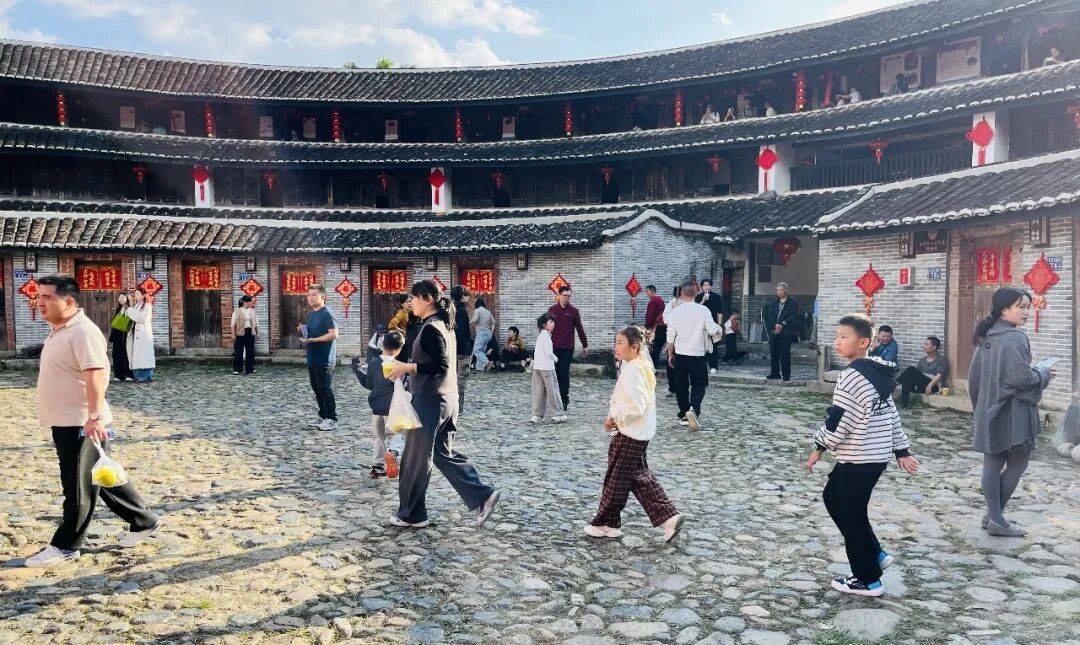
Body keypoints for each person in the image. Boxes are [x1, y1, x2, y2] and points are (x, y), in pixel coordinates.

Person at [24, 275, 159, 568]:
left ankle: (66, 545)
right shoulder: (60, 330)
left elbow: (96, 373)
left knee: (77, 485)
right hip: (66, 420)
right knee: (100, 476)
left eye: (47, 297)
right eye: (39, 296)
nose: (39, 302)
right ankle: (144, 520)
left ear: (68, 301)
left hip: (81, 422)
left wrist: (94, 416)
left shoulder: (82, 331)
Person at [807, 313, 919, 597]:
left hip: (859, 457)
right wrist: (901, 451)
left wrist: (819, 446)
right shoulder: (876, 373)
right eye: (837, 336)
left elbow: (838, 421)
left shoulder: (850, 377)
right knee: (833, 497)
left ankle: (867, 580)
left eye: (844, 337)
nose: (838, 342)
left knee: (852, 516)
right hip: (870, 458)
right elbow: (892, 416)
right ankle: (875, 554)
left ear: (864, 343)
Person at [387, 280, 501, 528]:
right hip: (447, 399)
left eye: (414, 298)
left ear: (428, 299)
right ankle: (483, 495)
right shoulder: (443, 324)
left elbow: (439, 365)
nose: (411, 302)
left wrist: (407, 367)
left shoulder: (432, 327)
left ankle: (412, 515)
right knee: (441, 454)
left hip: (430, 401)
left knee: (415, 459)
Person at [585, 326, 684, 542]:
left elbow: (636, 406)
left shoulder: (634, 369)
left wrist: (615, 418)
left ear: (635, 346)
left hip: (630, 432)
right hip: (637, 431)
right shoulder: (637, 366)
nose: (616, 347)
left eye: (620, 343)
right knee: (638, 478)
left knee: (616, 480)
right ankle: (668, 517)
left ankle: (605, 523)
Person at [968, 287, 1053, 537]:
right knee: (1018, 463)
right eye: (1021, 307)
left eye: (1028, 307)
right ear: (1004, 309)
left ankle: (994, 517)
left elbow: (974, 378)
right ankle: (995, 518)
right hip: (1013, 412)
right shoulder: (1015, 337)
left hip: (989, 409)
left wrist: (980, 407)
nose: (1026, 312)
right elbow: (1022, 379)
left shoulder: (987, 335)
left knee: (992, 463)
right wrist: (1043, 373)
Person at [666, 282, 721, 431]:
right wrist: (718, 328)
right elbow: (712, 330)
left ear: (682, 294)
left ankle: (684, 414)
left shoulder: (675, 312)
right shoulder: (703, 310)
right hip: (697, 354)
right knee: (700, 384)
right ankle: (693, 409)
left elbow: (670, 337)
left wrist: (670, 354)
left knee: (681, 385)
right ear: (696, 294)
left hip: (680, 353)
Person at [352, 330, 407, 480]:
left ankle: (377, 466)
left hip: (376, 407)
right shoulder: (399, 365)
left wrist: (357, 368)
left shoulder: (374, 363)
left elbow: (368, 384)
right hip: (393, 407)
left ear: (383, 344)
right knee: (399, 433)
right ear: (399, 349)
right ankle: (393, 452)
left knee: (378, 437)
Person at [299, 284, 339, 431]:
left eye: (314, 295)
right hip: (313, 357)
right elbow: (312, 332)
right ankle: (323, 416)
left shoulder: (327, 313)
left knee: (325, 389)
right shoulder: (311, 314)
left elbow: (334, 334)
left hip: (325, 359)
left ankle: (332, 419)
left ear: (323, 296)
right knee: (316, 388)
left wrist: (314, 340)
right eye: (308, 295)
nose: (310, 298)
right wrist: (303, 330)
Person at [547, 286, 589, 411]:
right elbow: (547, 327)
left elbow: (580, 328)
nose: (567, 298)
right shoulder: (552, 310)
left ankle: (564, 400)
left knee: (564, 374)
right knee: (554, 374)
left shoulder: (573, 311)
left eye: (569, 296)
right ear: (559, 295)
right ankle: (554, 399)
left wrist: (585, 345)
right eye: (565, 295)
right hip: (554, 348)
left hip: (567, 348)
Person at [531, 313, 566, 425]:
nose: (553, 324)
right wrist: (556, 359)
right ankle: (557, 414)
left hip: (537, 367)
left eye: (553, 322)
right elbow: (549, 353)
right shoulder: (546, 336)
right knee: (553, 391)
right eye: (550, 322)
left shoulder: (540, 335)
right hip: (547, 368)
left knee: (539, 392)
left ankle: (537, 415)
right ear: (544, 324)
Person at [896, 336, 949, 407]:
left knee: (911, 369)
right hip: (922, 386)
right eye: (924, 344)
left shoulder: (941, 359)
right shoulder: (922, 360)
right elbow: (917, 375)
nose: (924, 347)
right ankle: (904, 404)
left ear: (934, 347)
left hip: (933, 386)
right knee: (907, 378)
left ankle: (895, 383)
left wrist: (930, 385)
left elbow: (939, 375)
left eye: (926, 345)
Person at [764, 282, 798, 381]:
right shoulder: (774, 302)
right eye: (778, 290)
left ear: (786, 290)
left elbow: (792, 317)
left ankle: (786, 375)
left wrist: (782, 325)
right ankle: (775, 373)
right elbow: (770, 316)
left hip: (785, 331)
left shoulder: (792, 302)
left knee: (784, 354)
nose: (779, 292)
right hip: (774, 331)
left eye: (781, 290)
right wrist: (775, 325)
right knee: (774, 353)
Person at [125, 286, 155, 383]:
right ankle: (140, 376)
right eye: (135, 294)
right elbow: (135, 315)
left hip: (144, 334)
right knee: (139, 356)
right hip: (138, 334)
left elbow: (141, 318)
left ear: (143, 295)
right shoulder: (138, 305)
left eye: (138, 294)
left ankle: (145, 376)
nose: (136, 296)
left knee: (144, 356)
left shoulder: (147, 304)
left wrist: (129, 310)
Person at [450, 285, 473, 411]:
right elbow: (462, 332)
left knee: (452, 378)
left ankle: (452, 405)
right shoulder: (462, 311)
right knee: (461, 380)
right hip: (462, 349)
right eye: (466, 295)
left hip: (452, 349)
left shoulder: (451, 309)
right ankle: (458, 407)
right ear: (462, 296)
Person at [695, 279, 724, 374]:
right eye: (705, 285)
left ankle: (713, 366)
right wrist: (703, 300)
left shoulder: (716, 297)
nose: (707, 287)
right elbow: (695, 309)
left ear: (711, 286)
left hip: (712, 324)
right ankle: (702, 366)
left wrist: (719, 324)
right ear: (701, 287)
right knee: (701, 346)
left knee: (713, 345)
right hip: (700, 325)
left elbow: (720, 311)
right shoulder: (698, 297)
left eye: (708, 285)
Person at [108, 293, 134, 382]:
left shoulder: (130, 309)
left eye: (123, 297)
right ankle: (119, 375)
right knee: (116, 355)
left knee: (127, 355)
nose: (120, 299)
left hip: (126, 335)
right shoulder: (118, 309)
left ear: (127, 298)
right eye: (119, 297)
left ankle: (129, 374)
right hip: (117, 335)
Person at [230, 295, 258, 375]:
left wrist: (257, 333)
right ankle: (237, 369)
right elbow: (233, 324)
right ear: (245, 302)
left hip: (250, 332)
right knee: (239, 351)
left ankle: (250, 368)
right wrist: (233, 334)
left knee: (250, 351)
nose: (252, 303)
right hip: (240, 333)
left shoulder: (252, 311)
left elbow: (256, 323)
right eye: (251, 302)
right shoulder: (237, 311)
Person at [470, 296, 496, 372]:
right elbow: (493, 322)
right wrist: (491, 331)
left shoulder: (478, 310)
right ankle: (480, 368)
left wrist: (468, 322)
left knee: (476, 350)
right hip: (488, 333)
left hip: (481, 333)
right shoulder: (488, 312)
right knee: (481, 351)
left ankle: (488, 362)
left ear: (476, 304)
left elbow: (475, 319)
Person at [644, 285, 667, 367]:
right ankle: (654, 363)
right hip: (663, 326)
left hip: (656, 327)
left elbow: (650, 315)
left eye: (647, 292)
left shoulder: (653, 301)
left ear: (652, 291)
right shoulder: (660, 300)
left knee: (655, 346)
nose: (647, 294)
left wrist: (647, 326)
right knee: (658, 346)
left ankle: (653, 364)